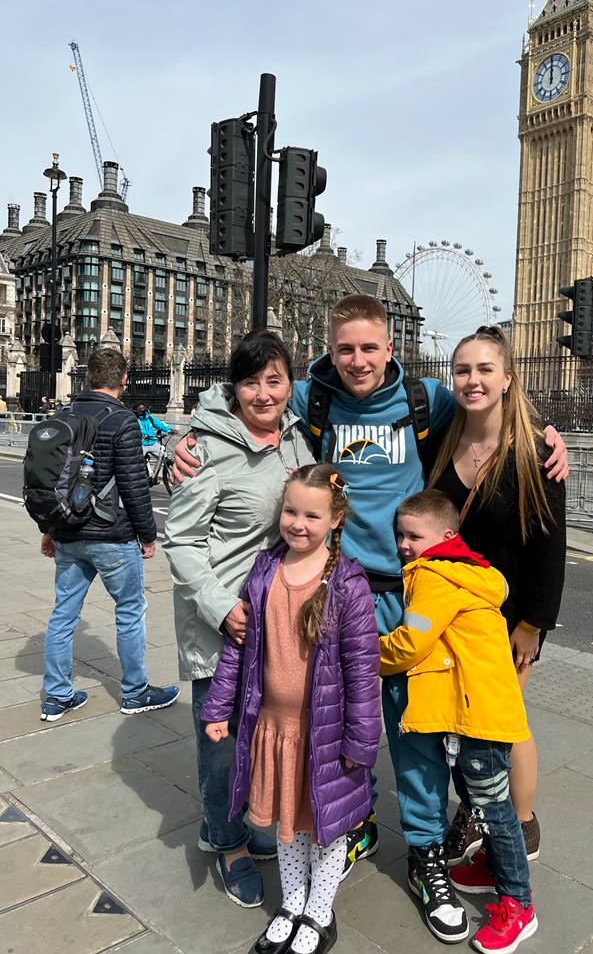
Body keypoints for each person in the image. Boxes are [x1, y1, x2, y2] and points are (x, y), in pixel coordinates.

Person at [173, 295, 569, 943]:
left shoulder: (425, 400)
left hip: (408, 596)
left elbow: (489, 399)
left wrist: (546, 434)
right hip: (334, 598)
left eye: (370, 348)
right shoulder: (314, 396)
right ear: (330, 350)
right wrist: (189, 438)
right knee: (329, 730)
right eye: (345, 348)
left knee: (414, 734)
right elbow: (244, 392)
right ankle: (349, 828)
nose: (357, 360)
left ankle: (426, 854)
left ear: (391, 349)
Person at [202, 464, 381, 954]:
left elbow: (364, 670)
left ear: (336, 520)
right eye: (290, 511)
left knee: (325, 828)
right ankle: (292, 902)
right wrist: (219, 707)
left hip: (324, 733)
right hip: (274, 729)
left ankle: (320, 914)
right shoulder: (264, 570)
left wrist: (360, 742)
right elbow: (238, 649)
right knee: (288, 822)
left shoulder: (348, 583)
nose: (297, 524)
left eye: (312, 515)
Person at [164, 331, 314, 908]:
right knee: (221, 739)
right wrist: (221, 607)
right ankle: (225, 841)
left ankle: (240, 820)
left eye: (274, 379)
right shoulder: (205, 446)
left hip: (278, 619)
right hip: (223, 619)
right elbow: (180, 541)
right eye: (251, 381)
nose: (263, 393)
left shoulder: (297, 440)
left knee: (260, 730)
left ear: (289, 384)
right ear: (235, 387)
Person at [426, 325, 566, 877]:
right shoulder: (439, 439)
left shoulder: (534, 452)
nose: (473, 379)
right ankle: (479, 816)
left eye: (485, 369)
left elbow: (550, 549)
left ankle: (521, 829)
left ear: (508, 378)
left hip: (509, 620)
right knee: (467, 725)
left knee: (500, 725)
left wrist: (532, 624)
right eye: (463, 370)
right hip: (453, 613)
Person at [380, 490, 537, 954]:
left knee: (493, 809)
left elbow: (412, 643)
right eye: (400, 535)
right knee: (479, 799)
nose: (405, 544)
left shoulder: (435, 576)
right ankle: (491, 867)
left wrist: (366, 651)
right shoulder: (469, 571)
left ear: (447, 537)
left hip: (479, 717)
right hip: (479, 708)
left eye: (415, 536)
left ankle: (518, 905)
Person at [38, 347, 179, 721]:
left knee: (63, 614)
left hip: (68, 531)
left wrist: (50, 529)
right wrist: (149, 536)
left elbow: (53, 479)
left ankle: (56, 695)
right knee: (130, 611)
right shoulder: (122, 421)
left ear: (86, 378)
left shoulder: (64, 415)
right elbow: (134, 487)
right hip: (112, 536)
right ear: (124, 379)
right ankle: (135, 692)